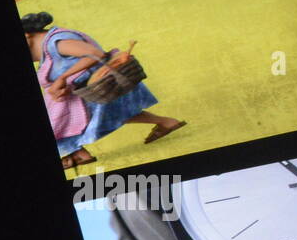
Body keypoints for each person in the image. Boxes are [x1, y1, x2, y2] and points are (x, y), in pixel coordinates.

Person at [22, 11, 185, 170]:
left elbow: (94, 54)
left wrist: (63, 78)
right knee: (117, 113)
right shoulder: (47, 47)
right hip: (88, 92)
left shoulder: (57, 42)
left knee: (57, 122)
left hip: (98, 86)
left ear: (28, 35)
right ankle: (166, 122)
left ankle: (76, 153)